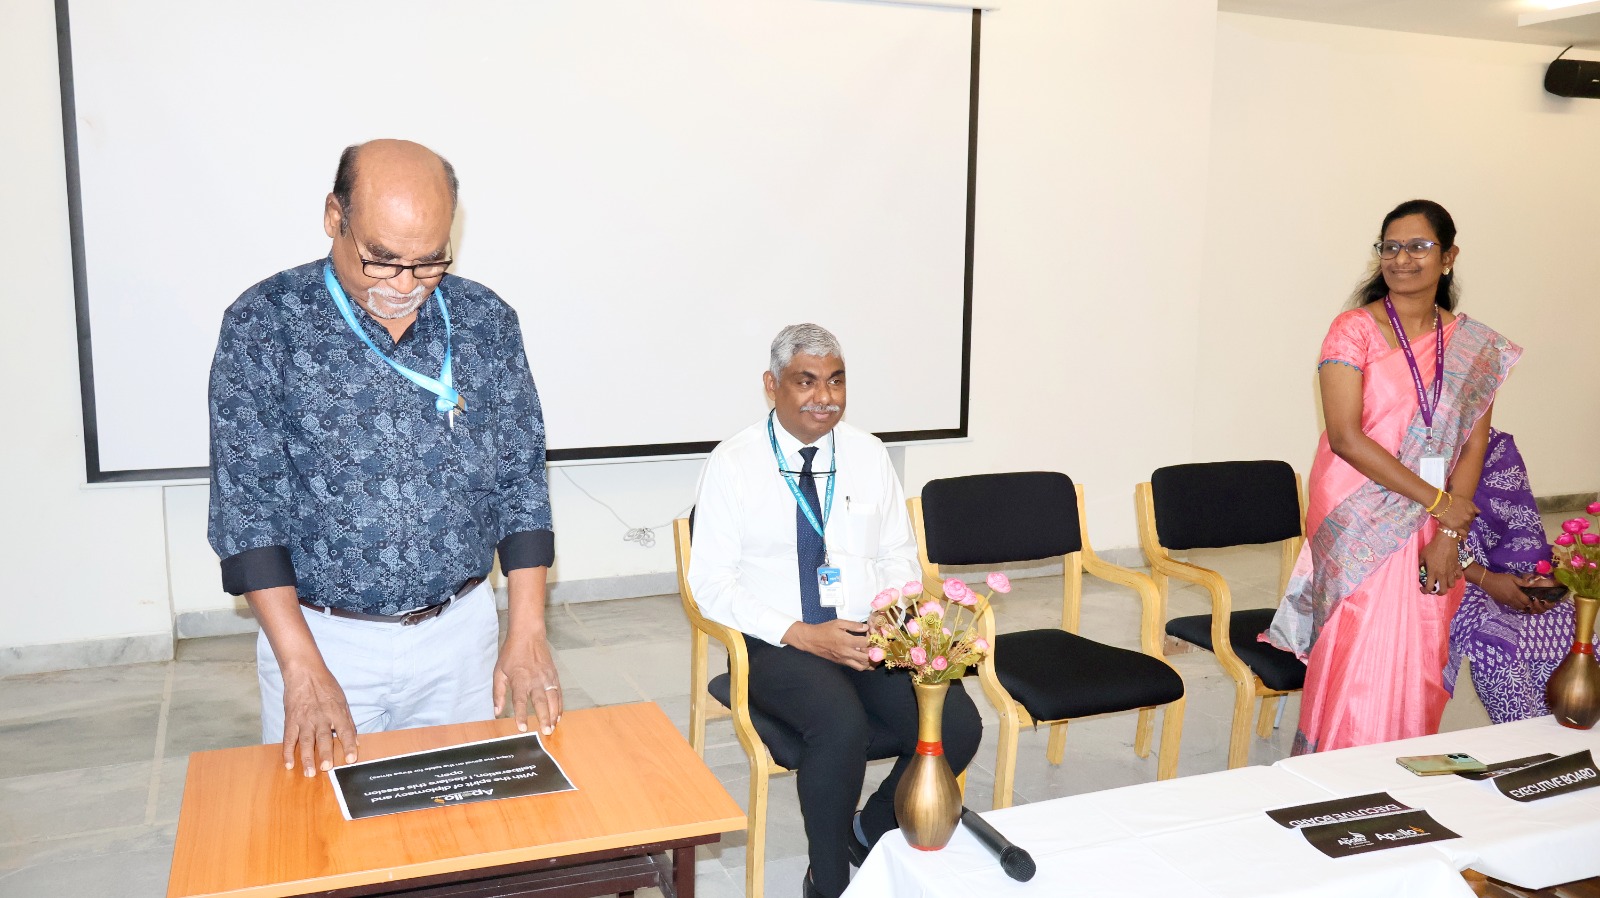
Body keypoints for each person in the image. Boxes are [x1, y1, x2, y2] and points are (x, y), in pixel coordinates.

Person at [208, 140, 560, 778]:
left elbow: (521, 480)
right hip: (324, 640)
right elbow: (248, 512)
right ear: (333, 218)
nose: (404, 285)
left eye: (429, 262)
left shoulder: (485, 322)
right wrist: (301, 667)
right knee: (320, 824)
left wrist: (528, 628)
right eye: (383, 259)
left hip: (460, 634)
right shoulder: (265, 326)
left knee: (461, 820)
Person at [688, 323, 981, 898]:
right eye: (807, 382)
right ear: (772, 385)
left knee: (956, 725)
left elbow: (897, 555)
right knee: (840, 727)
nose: (825, 397)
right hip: (777, 640)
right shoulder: (734, 463)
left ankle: (869, 830)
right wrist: (800, 633)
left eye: (836, 381)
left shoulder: (868, 454)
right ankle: (826, 880)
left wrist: (889, 612)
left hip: (866, 632)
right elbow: (710, 585)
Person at [1265, 199, 1521, 754]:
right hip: (1358, 511)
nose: (1402, 259)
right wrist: (1441, 504)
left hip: (1433, 516)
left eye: (1419, 246)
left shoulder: (1475, 347)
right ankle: (1338, 774)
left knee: (1419, 650)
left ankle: (1404, 769)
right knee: (1357, 648)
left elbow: (1474, 444)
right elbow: (1345, 437)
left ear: (1449, 257)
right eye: (1391, 247)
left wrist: (1448, 532)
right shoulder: (1352, 331)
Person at [1445, 429, 1573, 723]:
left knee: (1569, 625)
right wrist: (1485, 579)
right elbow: (1423, 544)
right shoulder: (1414, 446)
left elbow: (1522, 532)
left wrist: (1546, 580)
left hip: (1500, 572)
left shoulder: (1497, 449)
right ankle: (1520, 739)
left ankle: (1563, 740)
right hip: (1440, 576)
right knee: (1499, 640)